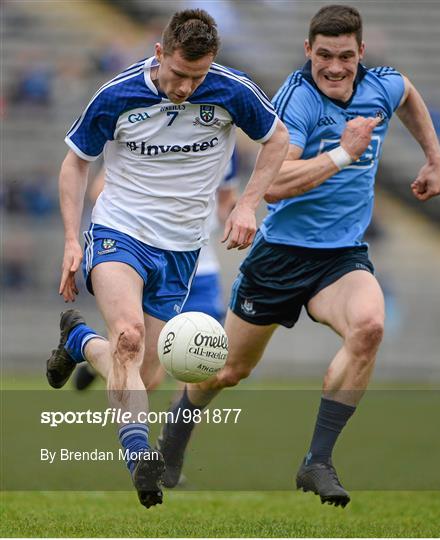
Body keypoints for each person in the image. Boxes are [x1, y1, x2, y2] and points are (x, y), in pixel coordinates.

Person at [157, 4, 440, 507]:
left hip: (342, 258)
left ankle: (317, 461)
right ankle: (175, 436)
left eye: (347, 57)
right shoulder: (298, 101)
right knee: (226, 371)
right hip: (280, 256)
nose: (335, 67)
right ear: (308, 50)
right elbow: (272, 185)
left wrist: (434, 158)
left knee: (370, 327)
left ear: (363, 54)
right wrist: (344, 154)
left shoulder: (383, 85)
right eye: (325, 55)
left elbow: (409, 95)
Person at [46, 8, 288, 509]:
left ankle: (78, 339)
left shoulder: (230, 90)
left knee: (144, 369)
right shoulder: (118, 94)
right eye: (178, 74)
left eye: (197, 77)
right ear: (159, 53)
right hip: (120, 232)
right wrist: (73, 239)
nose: (185, 87)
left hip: (181, 249)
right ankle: (140, 461)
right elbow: (75, 163)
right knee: (129, 339)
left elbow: (277, 139)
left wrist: (247, 203)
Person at [73, 155, 238, 390]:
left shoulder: (223, 139)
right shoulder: (152, 134)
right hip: (155, 259)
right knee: (147, 377)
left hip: (201, 270)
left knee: (200, 371)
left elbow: (226, 201)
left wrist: (238, 214)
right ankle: (96, 351)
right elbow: (98, 189)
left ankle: (174, 429)